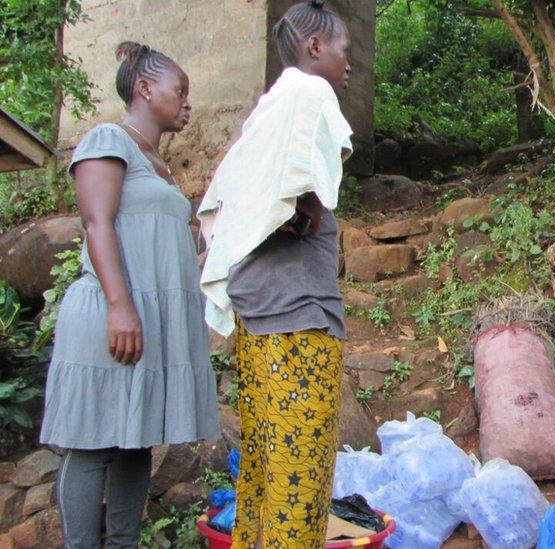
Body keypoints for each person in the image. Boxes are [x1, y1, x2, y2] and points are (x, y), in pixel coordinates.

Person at [39, 42, 219, 548]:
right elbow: (97, 224)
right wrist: (121, 306)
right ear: (144, 88)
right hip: (110, 313)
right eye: (179, 91)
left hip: (146, 319)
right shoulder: (108, 138)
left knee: (135, 440)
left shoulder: (157, 163)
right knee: (93, 444)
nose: (187, 103)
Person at [196, 1, 352, 546]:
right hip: (297, 324)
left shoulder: (265, 111)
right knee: (298, 487)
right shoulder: (309, 94)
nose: (347, 63)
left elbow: (226, 201)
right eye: (342, 50)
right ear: (314, 49)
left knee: (266, 476)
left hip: (261, 320)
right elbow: (297, 180)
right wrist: (308, 216)